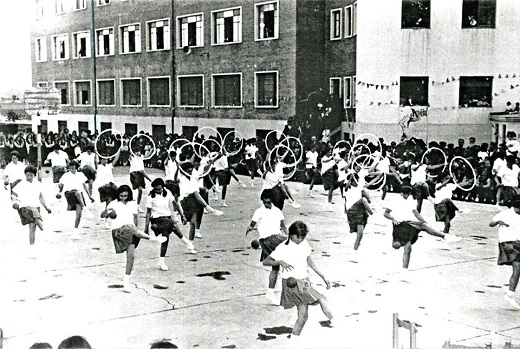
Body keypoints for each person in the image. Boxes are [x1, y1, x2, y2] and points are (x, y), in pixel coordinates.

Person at [263, 221, 336, 344]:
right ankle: (337, 321)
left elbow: (309, 261)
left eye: (303, 237)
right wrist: (279, 262)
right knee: (321, 299)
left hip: (304, 282)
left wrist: (323, 276)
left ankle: (291, 344)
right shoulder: (283, 248)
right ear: (291, 235)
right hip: (293, 284)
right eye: (299, 237)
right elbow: (266, 261)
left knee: (303, 317)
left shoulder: (304, 244)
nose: (301, 239)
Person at [101, 184, 166, 292]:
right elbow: (103, 215)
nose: (122, 198)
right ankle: (154, 238)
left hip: (132, 231)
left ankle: (126, 280)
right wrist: (109, 212)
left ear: (129, 195)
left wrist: (136, 233)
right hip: (119, 231)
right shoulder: (114, 203)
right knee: (129, 227)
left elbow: (135, 218)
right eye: (121, 196)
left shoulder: (132, 204)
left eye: (125, 196)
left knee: (131, 256)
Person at [383, 186, 461, 269]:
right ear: (402, 194)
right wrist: (393, 218)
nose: (409, 196)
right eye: (407, 194)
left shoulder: (410, 201)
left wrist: (425, 222)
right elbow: (386, 213)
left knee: (409, 246)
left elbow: (416, 213)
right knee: (397, 245)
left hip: (408, 223)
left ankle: (404, 269)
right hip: (399, 225)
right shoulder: (394, 201)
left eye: (409, 194)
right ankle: (445, 236)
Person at [144, 178, 197, 272]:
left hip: (167, 218)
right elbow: (148, 213)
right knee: (170, 228)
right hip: (157, 219)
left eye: (159, 189)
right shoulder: (150, 197)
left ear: (163, 187)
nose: (158, 191)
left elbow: (175, 204)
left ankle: (163, 260)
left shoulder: (167, 192)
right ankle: (187, 244)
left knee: (171, 230)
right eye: (156, 190)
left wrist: (182, 215)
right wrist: (146, 227)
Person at [246, 188, 288, 305]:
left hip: (275, 237)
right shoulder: (259, 211)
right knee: (289, 253)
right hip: (267, 240)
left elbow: (283, 226)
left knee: (276, 268)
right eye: (264, 202)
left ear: (272, 201)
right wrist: (250, 228)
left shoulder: (278, 211)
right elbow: (252, 224)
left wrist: (289, 236)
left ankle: (270, 292)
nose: (266, 204)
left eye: (268, 202)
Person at [11, 165, 52, 254]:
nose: (29, 177)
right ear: (25, 174)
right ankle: (46, 232)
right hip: (25, 208)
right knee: (36, 218)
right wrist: (15, 201)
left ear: (34, 175)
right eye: (27, 175)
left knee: (32, 228)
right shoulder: (21, 184)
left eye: (31, 175)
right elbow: (13, 195)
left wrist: (46, 207)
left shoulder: (37, 184)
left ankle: (31, 250)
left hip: (36, 208)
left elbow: (41, 197)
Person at [490, 194, 520, 310]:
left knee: (517, 269)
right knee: (517, 267)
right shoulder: (505, 213)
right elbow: (491, 223)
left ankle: (510, 292)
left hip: (517, 243)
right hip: (508, 243)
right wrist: (499, 221)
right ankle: (510, 294)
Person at [57, 160, 94, 237]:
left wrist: (90, 196)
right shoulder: (66, 175)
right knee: (77, 192)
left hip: (79, 195)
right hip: (69, 193)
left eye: (73, 166)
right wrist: (59, 192)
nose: (72, 168)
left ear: (76, 167)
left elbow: (84, 186)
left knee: (79, 214)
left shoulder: (80, 174)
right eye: (70, 166)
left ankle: (75, 230)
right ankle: (86, 208)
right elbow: (61, 185)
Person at [344, 173, 373, 250]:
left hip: (360, 211)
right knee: (363, 200)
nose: (356, 182)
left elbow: (368, 199)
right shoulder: (348, 188)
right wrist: (350, 179)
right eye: (354, 181)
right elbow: (346, 187)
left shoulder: (360, 188)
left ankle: (355, 249)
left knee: (360, 234)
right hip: (352, 209)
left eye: (357, 180)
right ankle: (372, 213)